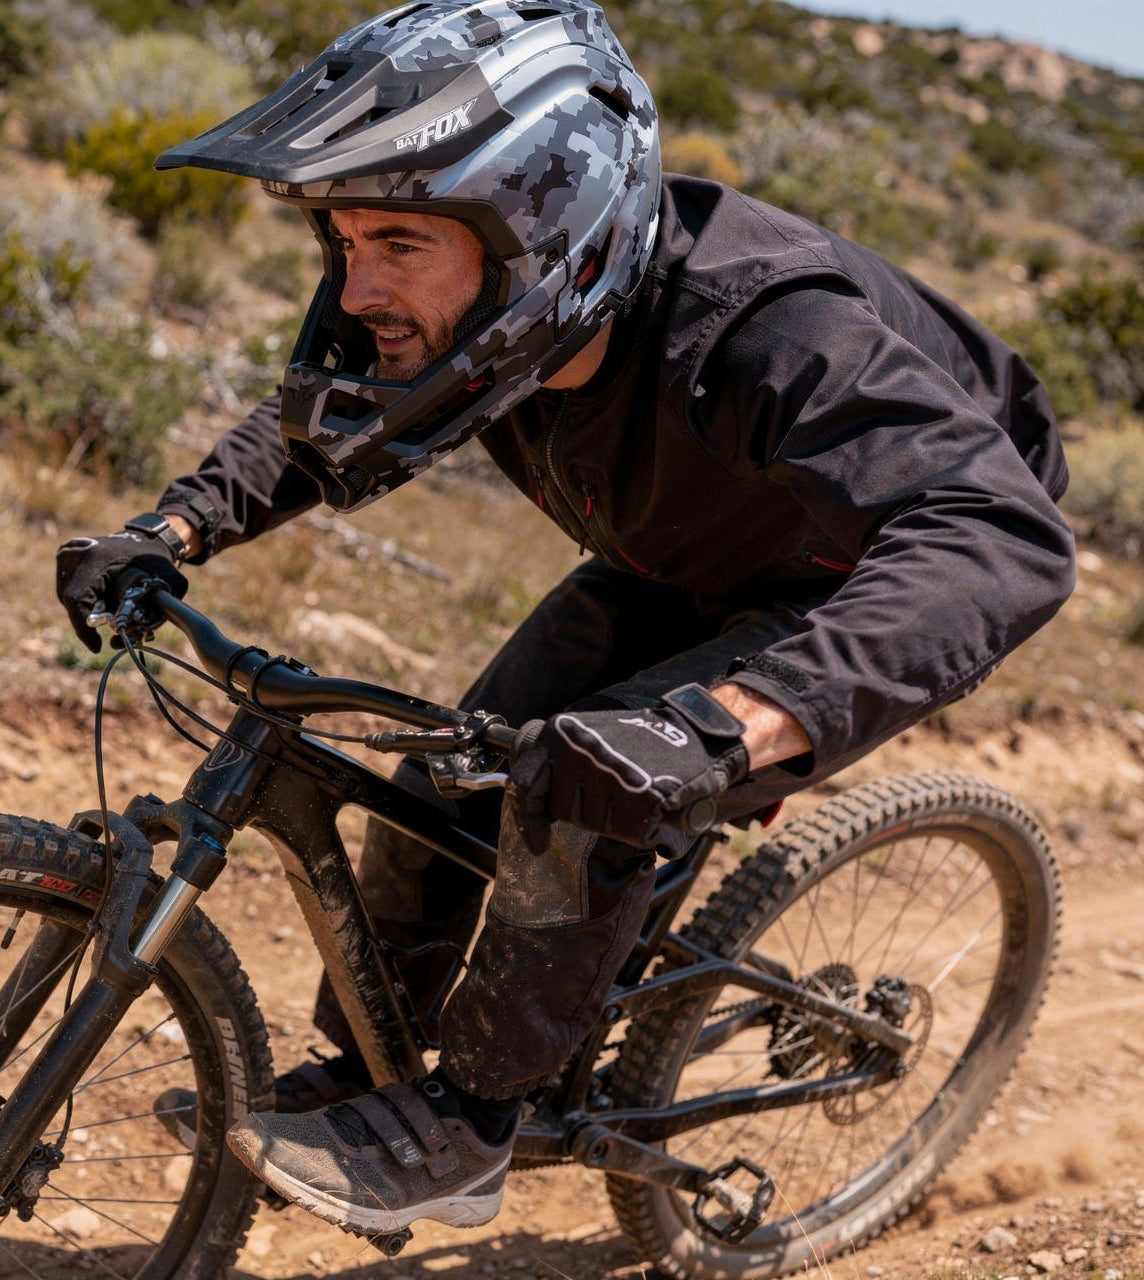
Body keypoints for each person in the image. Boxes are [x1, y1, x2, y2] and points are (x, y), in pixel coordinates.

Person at [54, 0, 1076, 1240]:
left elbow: (996, 536)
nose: (357, 284)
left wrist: (733, 726)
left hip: (853, 566)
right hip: (671, 545)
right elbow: (325, 416)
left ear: (541, 235)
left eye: (395, 241)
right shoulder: (493, 318)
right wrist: (170, 532)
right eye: (337, 241)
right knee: (445, 772)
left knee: (583, 790)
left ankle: (473, 1126)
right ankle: (378, 1076)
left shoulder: (767, 329)